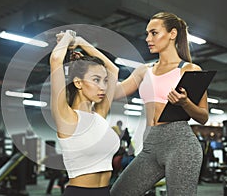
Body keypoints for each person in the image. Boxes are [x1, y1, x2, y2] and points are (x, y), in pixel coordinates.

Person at [110, 12, 207, 196]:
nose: (148, 38)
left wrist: (185, 103)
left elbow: (203, 117)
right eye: (147, 33)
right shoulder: (144, 70)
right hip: (150, 145)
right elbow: (114, 93)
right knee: (118, 192)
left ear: (172, 34)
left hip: (180, 144)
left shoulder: (189, 70)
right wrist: (94, 60)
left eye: (154, 33)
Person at [50, 30, 120, 196]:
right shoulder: (66, 116)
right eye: (96, 80)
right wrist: (68, 36)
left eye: (104, 81)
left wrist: (81, 41)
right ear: (78, 83)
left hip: (105, 191)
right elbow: (55, 59)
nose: (103, 87)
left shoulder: (100, 114)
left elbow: (113, 69)